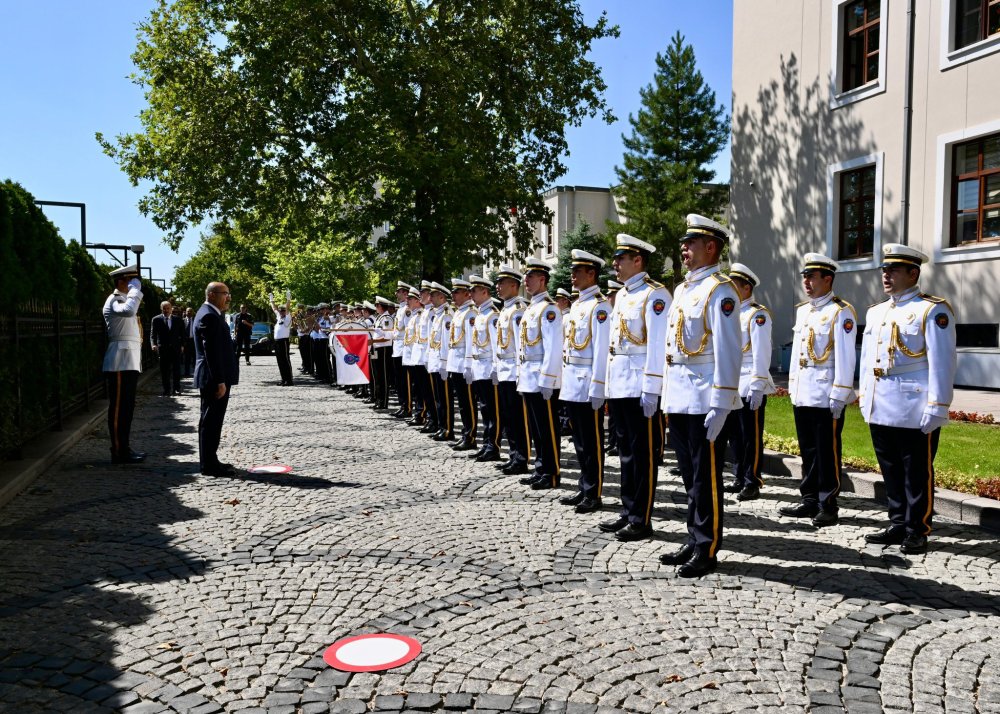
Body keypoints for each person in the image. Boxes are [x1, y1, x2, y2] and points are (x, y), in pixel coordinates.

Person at [859, 244, 956, 555]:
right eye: (885, 270)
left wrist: (938, 405)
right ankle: (898, 521)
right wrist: (864, 396)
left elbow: (943, 361)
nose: (886, 275)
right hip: (881, 401)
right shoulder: (877, 311)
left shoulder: (932, 309)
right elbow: (867, 361)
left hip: (914, 405)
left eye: (894, 270)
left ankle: (917, 528)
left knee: (916, 470)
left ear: (913, 273)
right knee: (890, 468)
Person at [659, 215, 742, 577]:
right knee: (689, 474)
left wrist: (722, 402)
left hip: (704, 396)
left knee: (705, 477)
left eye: (691, 244)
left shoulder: (720, 291)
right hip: (679, 394)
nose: (684, 248)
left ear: (711, 247)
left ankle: (707, 547)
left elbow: (728, 350)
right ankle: (694, 538)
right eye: (684, 243)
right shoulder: (682, 290)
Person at [780, 253, 857, 527]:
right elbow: (797, 355)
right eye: (805, 277)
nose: (806, 282)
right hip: (804, 392)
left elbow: (847, 357)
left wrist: (841, 392)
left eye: (812, 277)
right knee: (808, 450)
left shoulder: (840, 311)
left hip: (826, 394)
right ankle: (809, 498)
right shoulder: (804, 310)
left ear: (828, 279)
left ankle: (828, 503)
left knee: (827, 451)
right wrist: (792, 386)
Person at [603, 235, 671, 542]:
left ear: (638, 260)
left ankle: (642, 519)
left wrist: (652, 388)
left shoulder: (654, 295)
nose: (615, 264)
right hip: (620, 382)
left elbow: (657, 344)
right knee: (626, 453)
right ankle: (629, 511)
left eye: (621, 258)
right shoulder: (623, 296)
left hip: (639, 384)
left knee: (642, 455)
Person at [557, 250, 611, 513]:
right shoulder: (577, 305)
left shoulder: (600, 306)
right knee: (579, 440)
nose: (572, 275)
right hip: (572, 381)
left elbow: (601, 350)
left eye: (577, 271)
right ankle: (584, 486)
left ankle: (594, 491)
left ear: (591, 274)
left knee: (592, 441)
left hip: (588, 382)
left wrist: (598, 386)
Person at [721, 263, 775, 501]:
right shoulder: (730, 312)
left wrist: (758, 385)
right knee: (735, 435)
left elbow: (762, 352)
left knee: (750, 436)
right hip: (731, 382)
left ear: (746, 288)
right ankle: (739, 475)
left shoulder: (757, 314)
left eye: (734, 285)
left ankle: (752, 480)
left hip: (748, 381)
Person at [516, 259, 563, 490]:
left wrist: (548, 379)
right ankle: (540, 468)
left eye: (530, 277)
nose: (526, 280)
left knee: (547, 427)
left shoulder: (549, 309)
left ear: (542, 279)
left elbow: (553, 347)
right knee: (535, 428)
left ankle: (552, 472)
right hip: (528, 374)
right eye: (526, 277)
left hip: (541, 376)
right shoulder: (530, 308)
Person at [193, 281, 240, 476]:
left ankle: (211, 460)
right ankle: (209, 465)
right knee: (211, 421)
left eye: (228, 293)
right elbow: (210, 351)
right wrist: (220, 380)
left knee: (212, 420)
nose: (228, 297)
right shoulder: (209, 316)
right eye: (225, 293)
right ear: (211, 294)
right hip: (213, 379)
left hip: (214, 377)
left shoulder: (211, 314)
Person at [102, 264, 146, 464]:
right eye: (131, 282)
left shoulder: (123, 299)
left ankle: (124, 448)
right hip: (119, 362)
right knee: (119, 408)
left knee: (127, 409)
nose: (134, 286)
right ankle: (118, 452)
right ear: (122, 282)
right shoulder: (114, 300)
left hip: (129, 361)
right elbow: (128, 312)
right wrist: (136, 291)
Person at [494, 266, 531, 475]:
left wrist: (519, 373)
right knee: (508, 417)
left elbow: (520, 345)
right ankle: (514, 454)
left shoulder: (518, 310)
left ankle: (522, 458)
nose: (498, 287)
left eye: (502, 283)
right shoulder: (506, 309)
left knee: (518, 418)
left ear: (514, 286)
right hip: (503, 370)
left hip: (514, 372)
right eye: (498, 283)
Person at [467, 275, 502, 462]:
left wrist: (496, 368)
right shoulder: (480, 314)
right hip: (479, 367)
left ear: (485, 292)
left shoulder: (492, 315)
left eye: (474, 290)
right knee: (484, 409)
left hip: (489, 368)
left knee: (492, 410)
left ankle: (493, 446)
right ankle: (486, 444)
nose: (470, 294)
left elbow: (497, 345)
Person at [447, 278, 478, 450]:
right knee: (462, 403)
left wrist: (468, 365)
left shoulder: (470, 313)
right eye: (453, 292)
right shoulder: (458, 312)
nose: (453, 295)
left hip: (464, 364)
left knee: (468, 403)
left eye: (456, 292)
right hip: (455, 363)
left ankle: (471, 436)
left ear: (467, 294)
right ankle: (466, 433)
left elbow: (470, 342)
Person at [426, 282, 455, 440]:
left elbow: (445, 342)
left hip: (441, 363)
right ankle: (441, 426)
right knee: (438, 398)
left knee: (444, 399)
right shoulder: (437, 314)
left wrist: (444, 364)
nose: (429, 297)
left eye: (433, 295)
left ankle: (448, 429)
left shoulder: (446, 315)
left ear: (442, 297)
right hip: (434, 362)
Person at [401, 287, 427, 423]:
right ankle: (418, 413)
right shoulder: (413, 316)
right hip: (412, 357)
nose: (407, 300)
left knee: (420, 388)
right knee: (416, 386)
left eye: (410, 298)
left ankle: (421, 413)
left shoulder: (421, 315)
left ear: (417, 301)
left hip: (419, 357)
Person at [150, 300, 184, 396]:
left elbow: (182, 334)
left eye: (168, 308)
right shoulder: (156, 319)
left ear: (171, 309)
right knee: (165, 370)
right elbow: (153, 334)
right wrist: (153, 344)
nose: (166, 310)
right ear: (161, 309)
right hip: (163, 348)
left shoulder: (178, 320)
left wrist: (182, 345)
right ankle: (167, 389)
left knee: (176, 370)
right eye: (164, 308)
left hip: (175, 348)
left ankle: (176, 388)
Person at [391, 282, 415, 418]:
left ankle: (408, 406)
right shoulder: (400, 309)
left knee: (405, 381)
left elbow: (408, 331)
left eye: (398, 291)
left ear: (405, 293)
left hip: (404, 348)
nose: (396, 293)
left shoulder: (407, 310)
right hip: (397, 347)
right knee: (399, 381)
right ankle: (403, 405)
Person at [605, 279, 623, 457]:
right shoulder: (611, 314)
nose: (609, 297)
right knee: (613, 415)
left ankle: (658, 451)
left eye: (612, 294)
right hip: (612, 371)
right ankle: (614, 442)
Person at [371, 296, 396, 408]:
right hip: (377, 348)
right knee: (377, 375)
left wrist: (372, 340)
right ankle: (378, 400)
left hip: (384, 349)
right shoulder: (380, 318)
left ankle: (383, 401)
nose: (375, 307)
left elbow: (388, 337)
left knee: (383, 376)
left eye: (376, 305)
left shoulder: (387, 319)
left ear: (380, 306)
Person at [270, 290, 294, 386]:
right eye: (281, 310)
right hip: (277, 341)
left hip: (283, 341)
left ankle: (289, 380)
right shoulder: (279, 317)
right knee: (280, 361)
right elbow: (274, 309)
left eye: (283, 310)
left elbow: (288, 308)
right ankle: (284, 379)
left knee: (285, 360)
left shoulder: (288, 318)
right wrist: (271, 300)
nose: (281, 311)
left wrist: (288, 300)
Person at [182, 307, 196, 377]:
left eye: (190, 311)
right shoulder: (182, 321)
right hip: (186, 342)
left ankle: (196, 373)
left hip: (194, 341)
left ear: (193, 313)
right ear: (185, 312)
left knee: (195, 358)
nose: (189, 313)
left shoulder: (196, 320)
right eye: (188, 311)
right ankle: (187, 373)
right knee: (187, 358)